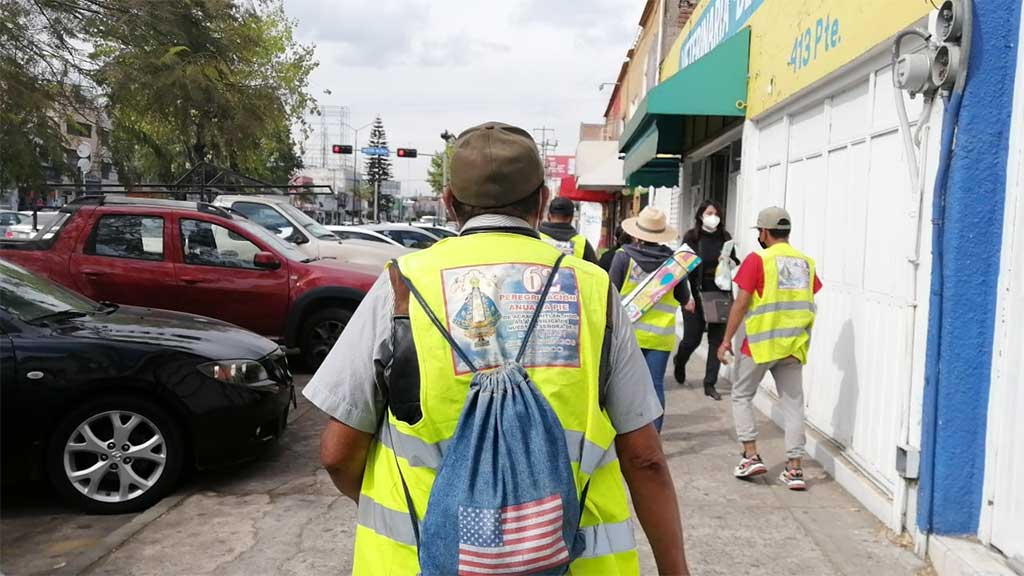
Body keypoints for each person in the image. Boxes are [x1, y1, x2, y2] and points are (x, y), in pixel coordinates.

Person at [305, 122, 689, 575]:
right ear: (542, 200)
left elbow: (336, 454)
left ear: (448, 202)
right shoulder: (591, 288)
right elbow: (644, 458)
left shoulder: (402, 283)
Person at [717, 206, 822, 491]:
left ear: (763, 233)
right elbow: (808, 297)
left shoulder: (757, 260)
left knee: (741, 395)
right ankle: (795, 469)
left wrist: (726, 340)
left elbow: (741, 303)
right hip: (792, 345)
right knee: (793, 406)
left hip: (761, 345)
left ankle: (750, 455)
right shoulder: (806, 263)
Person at [609, 206, 689, 433]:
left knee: (623, 388)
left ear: (636, 233)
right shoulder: (675, 264)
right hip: (660, 338)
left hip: (626, 335)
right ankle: (653, 440)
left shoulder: (623, 257)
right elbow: (684, 298)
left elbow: (609, 292)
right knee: (654, 388)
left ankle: (625, 437)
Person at [673, 200, 740, 401]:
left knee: (716, 340)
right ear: (701, 215)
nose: (713, 216)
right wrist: (686, 297)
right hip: (695, 294)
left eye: (716, 213)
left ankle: (710, 383)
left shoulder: (725, 237)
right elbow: (681, 265)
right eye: (709, 212)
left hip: (720, 293)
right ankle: (680, 360)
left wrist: (729, 261)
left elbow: (735, 260)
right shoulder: (692, 237)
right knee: (691, 339)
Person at [539, 196, 599, 263]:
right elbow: (595, 270)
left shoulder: (537, 237)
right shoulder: (582, 243)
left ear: (549, 216)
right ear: (571, 218)